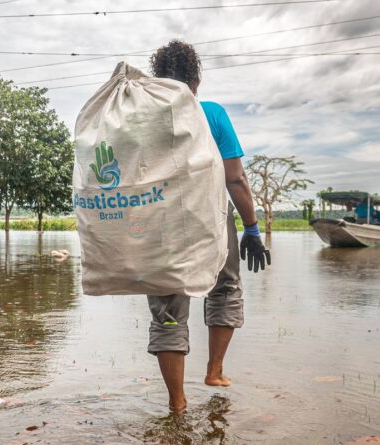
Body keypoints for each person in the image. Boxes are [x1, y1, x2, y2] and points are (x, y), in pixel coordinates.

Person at [147, 40, 271, 412]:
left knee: (168, 312)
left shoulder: (144, 121)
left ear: (159, 81)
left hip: (160, 225)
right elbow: (236, 179)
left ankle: (177, 401)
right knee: (225, 290)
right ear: (195, 80)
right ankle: (215, 371)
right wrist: (251, 229)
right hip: (211, 221)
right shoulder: (212, 114)